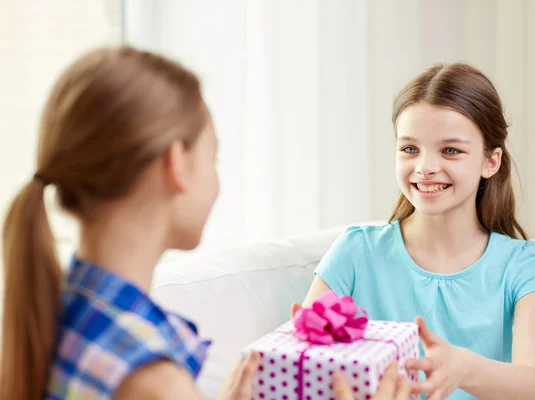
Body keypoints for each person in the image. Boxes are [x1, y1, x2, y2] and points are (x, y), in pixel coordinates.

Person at [0, 46, 411, 400]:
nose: (216, 179)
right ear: (176, 164)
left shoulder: (50, 313)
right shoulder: (153, 380)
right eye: (213, 156)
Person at [294, 63, 535, 400]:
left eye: (450, 150)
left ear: (491, 161)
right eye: (409, 149)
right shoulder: (356, 251)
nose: (425, 167)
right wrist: (302, 339)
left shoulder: (524, 264)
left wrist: (461, 367)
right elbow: (304, 361)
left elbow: (532, 385)